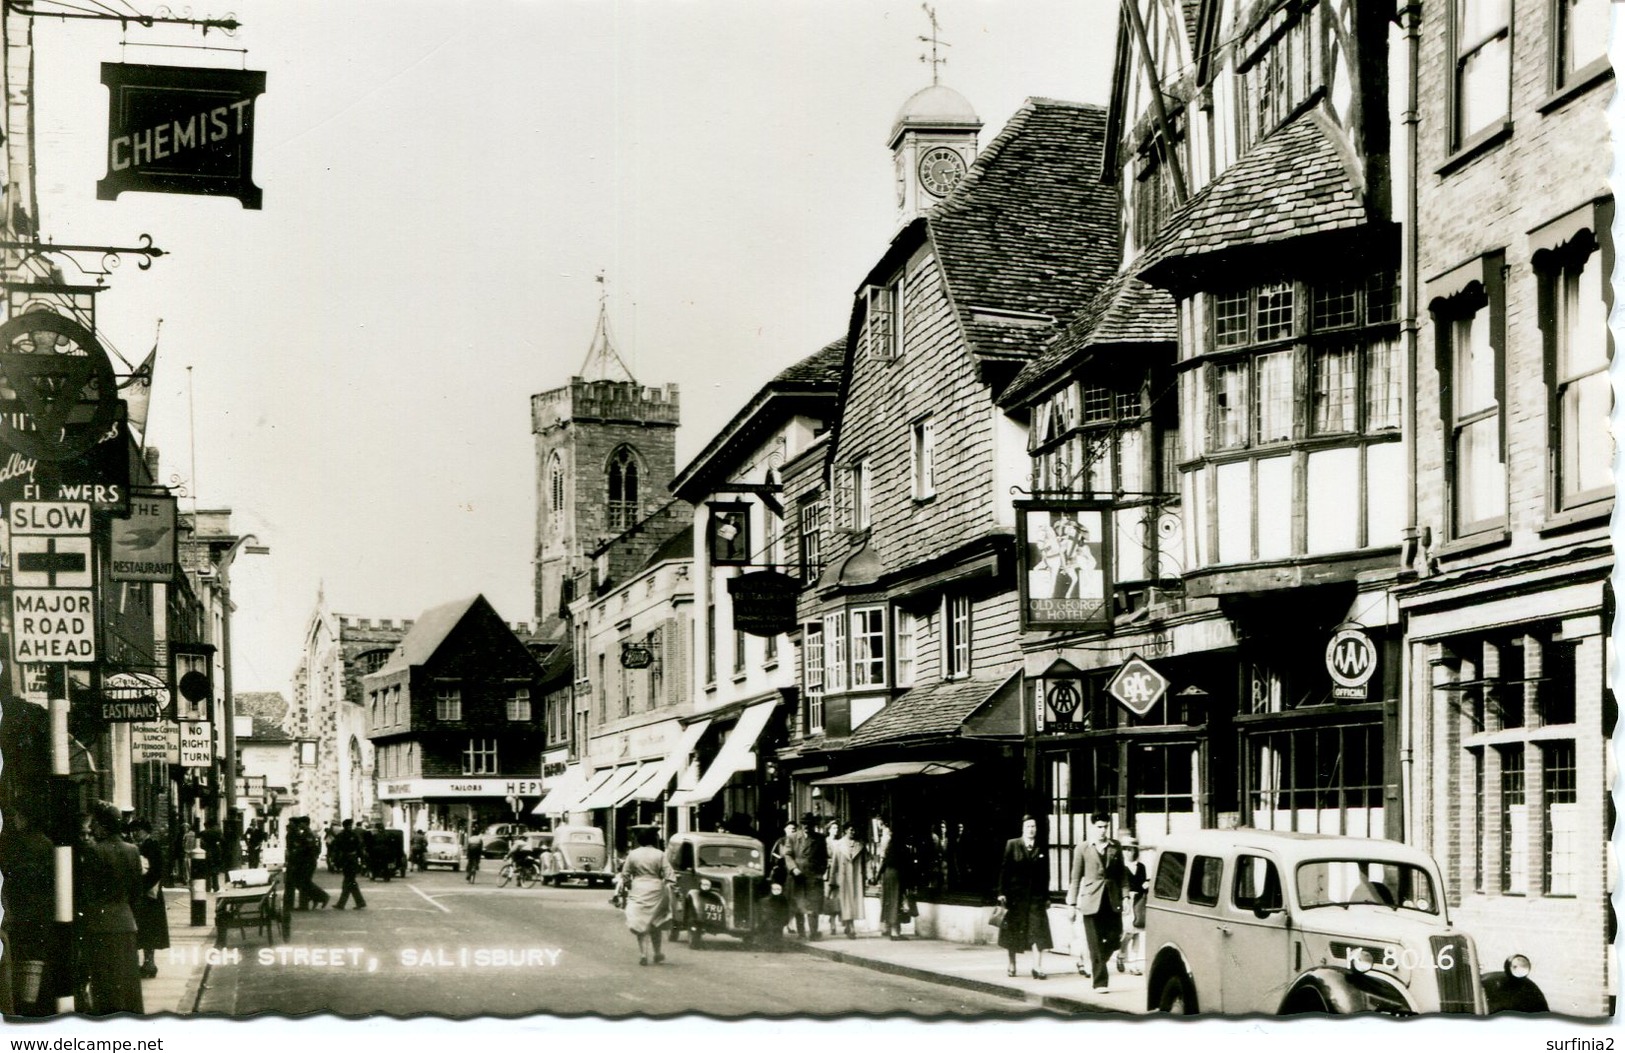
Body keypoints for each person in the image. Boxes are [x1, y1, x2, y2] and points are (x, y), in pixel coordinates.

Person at [74, 801, 143, 1014]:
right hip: (125, 921)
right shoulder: (133, 851)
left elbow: (87, 893)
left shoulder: (95, 852)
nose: (93, 827)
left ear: (103, 826)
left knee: (105, 982)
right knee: (128, 981)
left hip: (101, 925)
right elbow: (136, 891)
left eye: (95, 823)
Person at [0, 805, 61, 1016]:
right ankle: (36, 1002)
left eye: (17, 815)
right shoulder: (47, 844)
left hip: (25, 914)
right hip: (42, 912)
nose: (14, 820)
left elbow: (15, 880)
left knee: (23, 962)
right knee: (38, 963)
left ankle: (27, 1004)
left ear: (25, 819)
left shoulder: (22, 846)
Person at [1066, 815, 1123, 990]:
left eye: (1105, 826)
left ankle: (1094, 962)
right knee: (1095, 942)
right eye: (1099, 827)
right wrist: (1071, 904)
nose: (1103, 830)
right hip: (1090, 901)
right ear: (1092, 827)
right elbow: (1075, 879)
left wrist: (1126, 897)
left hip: (1112, 900)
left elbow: (1122, 875)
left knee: (1116, 938)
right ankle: (1100, 982)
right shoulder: (1082, 848)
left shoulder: (1115, 847)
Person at [997, 815, 1052, 979]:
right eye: (1028, 826)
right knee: (1013, 931)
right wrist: (1001, 892)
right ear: (1023, 828)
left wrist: (1047, 896)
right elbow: (1004, 870)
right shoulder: (1012, 844)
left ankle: (1037, 967)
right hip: (1016, 897)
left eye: (1034, 826)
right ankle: (1012, 963)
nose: (1031, 829)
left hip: (1036, 897)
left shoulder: (1041, 847)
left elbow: (1045, 874)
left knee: (1038, 931)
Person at [616, 825, 674, 966]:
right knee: (656, 922)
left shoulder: (633, 854)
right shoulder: (660, 854)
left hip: (638, 888)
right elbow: (669, 874)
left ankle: (643, 954)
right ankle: (657, 952)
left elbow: (625, 874)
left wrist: (629, 884)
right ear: (653, 839)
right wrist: (665, 884)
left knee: (640, 923)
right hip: (656, 888)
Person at [126, 818, 169, 980]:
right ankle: (145, 963)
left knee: (149, 930)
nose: (135, 834)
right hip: (142, 894)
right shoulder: (137, 846)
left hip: (150, 894)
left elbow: (156, 871)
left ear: (146, 831)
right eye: (133, 831)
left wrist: (142, 887)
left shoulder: (152, 845)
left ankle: (149, 962)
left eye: (138, 830)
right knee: (142, 929)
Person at [826, 820, 865, 939]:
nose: (852, 831)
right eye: (850, 829)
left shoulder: (860, 845)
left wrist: (869, 875)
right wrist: (832, 880)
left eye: (854, 829)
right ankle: (850, 926)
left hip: (856, 877)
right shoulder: (839, 845)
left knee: (853, 902)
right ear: (845, 831)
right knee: (846, 902)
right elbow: (835, 865)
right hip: (843, 878)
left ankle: (849, 925)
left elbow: (866, 861)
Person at [1117, 834, 1148, 976]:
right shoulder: (1121, 867)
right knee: (1127, 932)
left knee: (1137, 934)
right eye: (1125, 849)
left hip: (1139, 901)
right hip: (1127, 901)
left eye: (1131, 849)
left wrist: (1146, 885)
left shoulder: (1141, 867)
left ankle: (1134, 964)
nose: (1128, 852)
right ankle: (1121, 954)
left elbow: (1143, 884)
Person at [876, 816, 909, 940]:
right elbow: (902, 863)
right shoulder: (899, 845)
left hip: (889, 874)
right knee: (896, 900)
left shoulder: (891, 843)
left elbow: (884, 861)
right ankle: (895, 932)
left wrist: (878, 875)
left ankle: (891, 929)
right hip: (896, 874)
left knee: (891, 901)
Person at [287, 817, 329, 910]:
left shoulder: (308, 834)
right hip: (305, 861)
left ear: (305, 823)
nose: (300, 825)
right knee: (304, 882)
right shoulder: (305, 834)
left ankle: (322, 897)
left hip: (308, 861)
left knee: (304, 882)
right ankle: (310, 901)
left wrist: (297, 850)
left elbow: (308, 848)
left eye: (301, 823)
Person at [332, 819, 367, 910]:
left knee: (348, 882)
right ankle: (359, 902)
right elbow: (336, 849)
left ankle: (342, 904)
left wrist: (362, 861)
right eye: (348, 825)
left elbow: (359, 849)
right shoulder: (342, 836)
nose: (350, 827)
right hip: (346, 860)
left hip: (351, 860)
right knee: (350, 882)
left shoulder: (353, 836)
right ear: (345, 826)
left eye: (350, 825)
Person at [198, 816, 223, 893]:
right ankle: (216, 887)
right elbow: (222, 841)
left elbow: (199, 841)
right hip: (216, 852)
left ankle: (208, 887)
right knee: (215, 870)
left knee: (207, 871)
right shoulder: (219, 831)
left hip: (207, 852)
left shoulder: (203, 833)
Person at [179, 822, 197, 887]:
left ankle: (188, 879)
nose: (184, 829)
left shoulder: (185, 835)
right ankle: (191, 879)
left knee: (187, 866)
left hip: (187, 852)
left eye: (185, 828)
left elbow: (183, 844)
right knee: (190, 866)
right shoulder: (194, 834)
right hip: (193, 852)